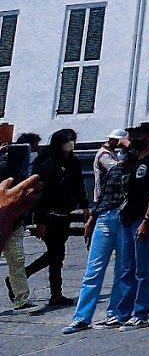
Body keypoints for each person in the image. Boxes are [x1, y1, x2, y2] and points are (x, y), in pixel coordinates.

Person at [62, 131, 130, 333]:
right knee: (94, 268)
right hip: (107, 215)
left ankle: (115, 313)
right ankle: (82, 316)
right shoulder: (109, 160)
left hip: (125, 217)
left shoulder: (135, 163)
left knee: (122, 269)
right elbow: (105, 192)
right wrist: (92, 217)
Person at [109, 121, 149, 330]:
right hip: (126, 218)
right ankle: (122, 312)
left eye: (140, 134)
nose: (136, 138)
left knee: (142, 269)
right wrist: (124, 144)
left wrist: (147, 220)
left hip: (141, 219)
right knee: (125, 268)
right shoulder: (131, 159)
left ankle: (140, 312)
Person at [26, 128, 86, 306]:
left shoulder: (73, 163)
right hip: (49, 215)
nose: (70, 144)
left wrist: (84, 206)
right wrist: (40, 222)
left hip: (64, 214)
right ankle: (53, 291)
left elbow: (79, 185)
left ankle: (53, 291)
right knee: (56, 254)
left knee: (56, 255)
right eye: (67, 141)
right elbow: (40, 195)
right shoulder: (48, 164)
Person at [1, 132, 40, 309]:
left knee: (17, 259)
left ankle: (21, 297)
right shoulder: (4, 165)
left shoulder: (30, 167)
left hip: (15, 221)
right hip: (4, 217)